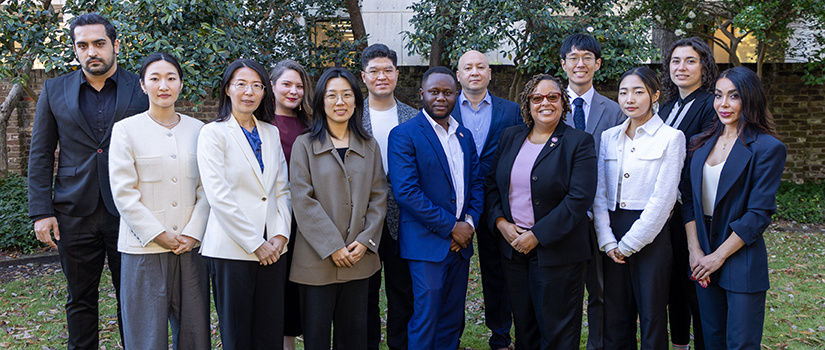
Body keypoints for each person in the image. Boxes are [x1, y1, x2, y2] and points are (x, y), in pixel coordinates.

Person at [27, 13, 148, 349]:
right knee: (79, 300)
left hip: (129, 211)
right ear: (75, 49)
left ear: (115, 45)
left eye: (99, 43)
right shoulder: (54, 90)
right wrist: (41, 211)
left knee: (134, 300)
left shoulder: (140, 88)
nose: (91, 51)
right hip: (72, 212)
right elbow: (40, 154)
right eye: (83, 45)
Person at [485, 73, 597, 349]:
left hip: (558, 253)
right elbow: (491, 186)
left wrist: (536, 235)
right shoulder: (511, 137)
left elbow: (578, 199)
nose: (545, 103)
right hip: (514, 251)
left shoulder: (579, 142)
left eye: (553, 97)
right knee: (525, 328)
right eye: (537, 98)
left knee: (556, 331)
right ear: (527, 104)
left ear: (563, 102)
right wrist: (501, 223)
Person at [108, 53, 210, 349]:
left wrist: (193, 232)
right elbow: (124, 193)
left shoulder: (199, 130)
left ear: (181, 85)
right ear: (142, 85)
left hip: (190, 248)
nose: (163, 85)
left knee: (195, 332)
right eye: (154, 78)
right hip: (143, 247)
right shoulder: (126, 130)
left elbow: (207, 189)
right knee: (145, 336)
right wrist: (158, 234)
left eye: (171, 78)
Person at [682, 66, 786, 349]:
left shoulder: (767, 148)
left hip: (740, 257)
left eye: (733, 96)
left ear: (749, 99)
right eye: (718, 95)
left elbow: (759, 213)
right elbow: (689, 199)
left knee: (740, 344)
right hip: (702, 256)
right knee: (711, 340)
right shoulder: (699, 144)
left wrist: (718, 256)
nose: (723, 104)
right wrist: (695, 251)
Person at [290, 67, 388, 350]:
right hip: (316, 260)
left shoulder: (370, 146)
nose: (340, 102)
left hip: (359, 259)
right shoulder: (304, 145)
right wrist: (333, 246)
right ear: (321, 101)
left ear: (357, 101)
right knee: (317, 336)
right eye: (332, 95)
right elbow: (302, 199)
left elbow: (378, 196)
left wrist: (364, 241)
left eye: (347, 95)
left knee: (354, 336)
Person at [197, 59, 291, 350]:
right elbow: (218, 196)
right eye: (241, 84)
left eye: (256, 85)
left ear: (265, 92)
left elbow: (282, 189)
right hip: (232, 249)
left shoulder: (271, 132)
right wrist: (255, 243)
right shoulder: (213, 133)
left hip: (274, 250)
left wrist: (280, 235)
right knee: (238, 335)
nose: (248, 92)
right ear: (227, 89)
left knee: (270, 331)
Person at [388, 66, 483, 349]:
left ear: (456, 95)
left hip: (460, 244)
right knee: (426, 318)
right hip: (426, 245)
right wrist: (452, 228)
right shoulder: (404, 134)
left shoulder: (463, 135)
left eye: (447, 92)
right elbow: (406, 192)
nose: (441, 97)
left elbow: (476, 184)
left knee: (453, 319)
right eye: (434, 92)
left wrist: (469, 224)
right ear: (422, 94)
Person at [592, 67, 686, 349]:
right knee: (615, 313)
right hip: (612, 229)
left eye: (638, 91)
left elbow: (664, 199)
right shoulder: (609, 136)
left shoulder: (671, 137)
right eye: (623, 92)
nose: (629, 98)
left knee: (652, 313)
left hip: (651, 234)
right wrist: (607, 240)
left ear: (655, 95)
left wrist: (630, 243)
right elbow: (599, 192)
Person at [450, 50, 521, 350]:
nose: (475, 72)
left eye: (481, 66)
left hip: (497, 202)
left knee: (497, 271)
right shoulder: (444, 107)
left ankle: (501, 336)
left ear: (491, 73)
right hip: (456, 203)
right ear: (458, 75)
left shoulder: (511, 111)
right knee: (451, 270)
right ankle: (450, 335)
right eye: (468, 67)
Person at [559, 33, 624, 350]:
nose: (580, 63)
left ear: (598, 64)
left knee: (601, 288)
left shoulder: (615, 110)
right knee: (562, 288)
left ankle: (598, 344)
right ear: (563, 64)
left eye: (587, 57)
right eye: (573, 57)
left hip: (602, 214)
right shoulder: (550, 107)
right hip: (561, 214)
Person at [659, 36, 719, 350]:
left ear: (704, 67)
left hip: (692, 209)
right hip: (663, 212)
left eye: (690, 61)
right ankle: (679, 344)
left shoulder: (712, 105)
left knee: (695, 285)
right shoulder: (666, 107)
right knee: (673, 287)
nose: (681, 67)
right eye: (676, 61)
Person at [360, 43, 418, 350]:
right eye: (374, 71)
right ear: (364, 77)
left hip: (404, 220)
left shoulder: (414, 118)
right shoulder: (351, 117)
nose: (382, 76)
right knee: (365, 294)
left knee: (402, 293)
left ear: (396, 74)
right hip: (361, 221)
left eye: (388, 70)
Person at [269, 59, 313, 350]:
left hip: (308, 218)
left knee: (305, 290)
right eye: (286, 84)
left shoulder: (313, 125)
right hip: (272, 218)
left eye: (299, 86)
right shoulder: (260, 124)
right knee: (278, 289)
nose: (293, 91)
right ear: (272, 86)